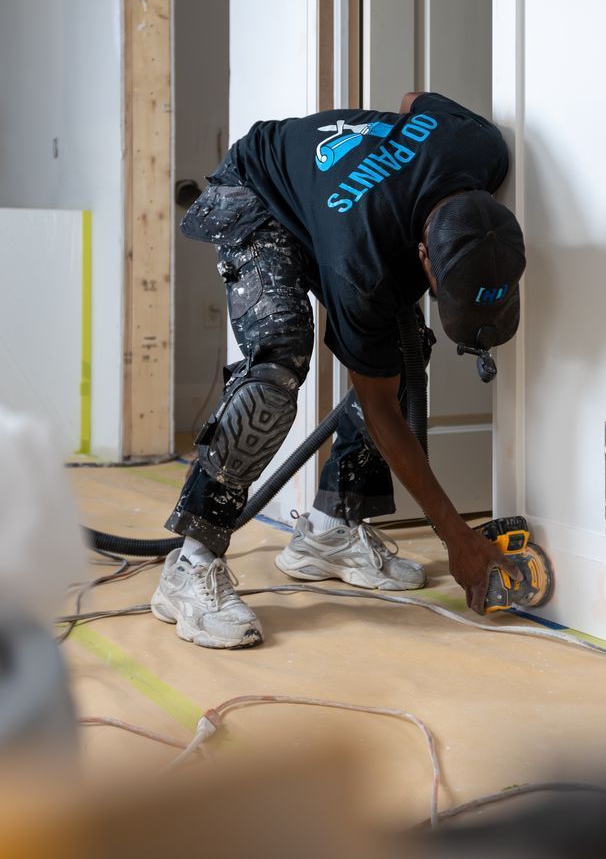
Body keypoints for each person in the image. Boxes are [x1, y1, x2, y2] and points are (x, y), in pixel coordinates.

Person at [150, 91, 526, 648]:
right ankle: (190, 565)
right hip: (258, 189)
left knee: (400, 353)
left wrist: (386, 162)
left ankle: (329, 532)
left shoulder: (480, 147)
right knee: (277, 365)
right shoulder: (363, 264)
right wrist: (455, 536)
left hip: (346, 211)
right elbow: (377, 407)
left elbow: (412, 101)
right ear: (424, 255)